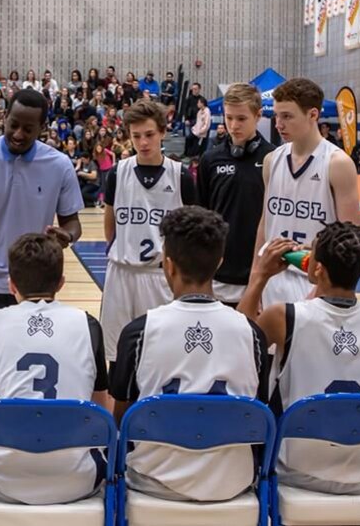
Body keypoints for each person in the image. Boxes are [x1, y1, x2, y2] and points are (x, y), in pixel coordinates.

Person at [110, 206, 269, 502]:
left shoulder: (139, 332)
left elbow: (122, 419)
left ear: (168, 265)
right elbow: (259, 414)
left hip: (153, 482)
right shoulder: (252, 334)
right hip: (233, 483)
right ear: (219, 263)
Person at [238, 222, 360, 495]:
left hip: (297, 471)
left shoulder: (283, 317)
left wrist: (259, 276)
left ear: (318, 268)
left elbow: (235, 342)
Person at [0, 234, 108, 504]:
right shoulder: (88, 326)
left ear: (11, 284)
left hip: (1, 477)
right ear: (61, 284)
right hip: (75, 478)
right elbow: (101, 413)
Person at [0, 88, 83, 332]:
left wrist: (68, 235)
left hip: (37, 283)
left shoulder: (60, 165)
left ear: (42, 127)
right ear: (4, 117)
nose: (18, 134)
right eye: (14, 125)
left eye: (28, 129)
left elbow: (72, 222)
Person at [100, 100, 197, 363]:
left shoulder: (181, 176)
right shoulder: (118, 173)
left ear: (163, 132)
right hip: (121, 272)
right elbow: (110, 223)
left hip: (160, 275)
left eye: (149, 135)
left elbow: (190, 229)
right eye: (136, 136)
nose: (143, 142)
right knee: (117, 355)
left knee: (160, 354)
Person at [252, 78, 360, 309]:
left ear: (313, 115)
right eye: (277, 116)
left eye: (287, 116)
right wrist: (255, 278)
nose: (279, 124)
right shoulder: (272, 160)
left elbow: (351, 237)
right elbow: (265, 223)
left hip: (314, 282)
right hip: (272, 277)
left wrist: (325, 289)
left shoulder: (337, 163)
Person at [197, 83, 277, 306]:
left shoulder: (275, 158)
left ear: (258, 115)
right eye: (229, 118)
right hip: (218, 274)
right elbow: (201, 214)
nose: (233, 125)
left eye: (241, 119)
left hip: (261, 275)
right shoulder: (210, 159)